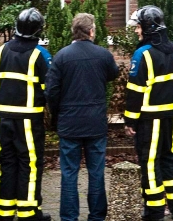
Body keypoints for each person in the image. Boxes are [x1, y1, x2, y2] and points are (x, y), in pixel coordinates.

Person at [45, 13, 119, 221]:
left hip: (69, 123)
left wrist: (57, 115)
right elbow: (113, 74)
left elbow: (51, 91)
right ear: (91, 31)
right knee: (96, 172)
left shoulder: (61, 56)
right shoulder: (103, 55)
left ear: (74, 31)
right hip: (95, 123)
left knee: (69, 173)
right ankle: (97, 217)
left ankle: (69, 217)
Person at [124, 6, 173, 221]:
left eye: (139, 27)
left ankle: (155, 212)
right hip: (169, 117)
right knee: (169, 158)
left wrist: (130, 119)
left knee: (150, 163)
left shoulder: (143, 54)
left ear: (148, 29)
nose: (136, 31)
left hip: (148, 120)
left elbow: (135, 91)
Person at [0, 7, 52, 221]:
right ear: (38, 31)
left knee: (6, 161)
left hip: (1, 117)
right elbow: (48, 90)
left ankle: (4, 212)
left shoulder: (0, 51)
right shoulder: (40, 55)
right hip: (28, 119)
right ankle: (28, 213)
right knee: (29, 163)